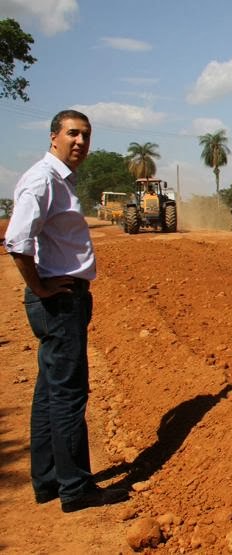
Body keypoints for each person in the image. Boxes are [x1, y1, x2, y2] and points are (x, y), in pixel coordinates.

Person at [3, 110, 129, 513]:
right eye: (72, 133)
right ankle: (76, 488)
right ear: (54, 136)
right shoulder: (43, 180)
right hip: (59, 299)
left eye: (85, 135)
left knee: (49, 391)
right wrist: (39, 286)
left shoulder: (59, 180)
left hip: (61, 296)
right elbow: (17, 240)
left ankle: (48, 482)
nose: (80, 142)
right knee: (69, 394)